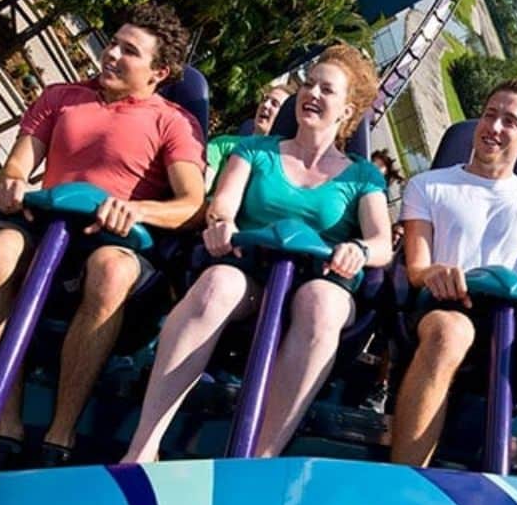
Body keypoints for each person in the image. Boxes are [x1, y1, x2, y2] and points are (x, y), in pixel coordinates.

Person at [0, 3, 206, 467]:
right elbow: (17, 166)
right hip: (46, 227)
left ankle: (61, 432)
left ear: (159, 71)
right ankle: (2, 419)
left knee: (110, 270)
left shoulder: (172, 122)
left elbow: (190, 205)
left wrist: (134, 210)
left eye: (128, 51)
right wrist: (12, 183)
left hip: (113, 238)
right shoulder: (61, 98)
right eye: (112, 43)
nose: (111, 54)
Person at [123, 44, 392, 461]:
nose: (313, 95)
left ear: (347, 110)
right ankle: (143, 447)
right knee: (217, 284)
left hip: (319, 280)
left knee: (319, 303)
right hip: (252, 272)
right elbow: (224, 204)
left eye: (327, 90)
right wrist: (221, 224)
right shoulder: (257, 152)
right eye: (309, 85)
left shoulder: (362, 175)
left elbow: (380, 242)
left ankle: (258, 458)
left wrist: (357, 249)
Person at [391, 79, 517, 480]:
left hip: (513, 321)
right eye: (490, 114)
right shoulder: (428, 186)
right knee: (451, 332)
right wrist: (435, 273)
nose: (494, 127)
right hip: (446, 306)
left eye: (510, 121)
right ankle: (404, 479)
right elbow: (416, 269)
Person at [203, 82, 295, 192]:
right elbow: (201, 188)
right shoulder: (222, 144)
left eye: (274, 104)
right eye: (265, 99)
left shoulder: (282, 167)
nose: (265, 105)